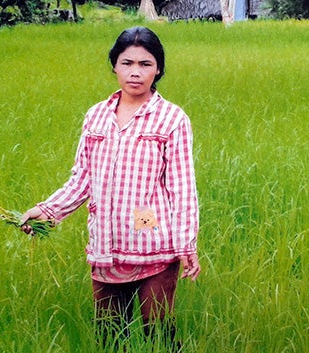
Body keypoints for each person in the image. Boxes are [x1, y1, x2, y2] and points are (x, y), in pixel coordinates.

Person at [20, 26, 200, 351]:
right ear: (114, 65)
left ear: (158, 68)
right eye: (126, 63)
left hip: (153, 243)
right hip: (105, 246)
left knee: (156, 333)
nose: (135, 73)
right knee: (108, 335)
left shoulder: (171, 119)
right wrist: (46, 211)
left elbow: (182, 188)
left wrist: (187, 245)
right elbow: (81, 179)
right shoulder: (96, 117)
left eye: (145, 64)